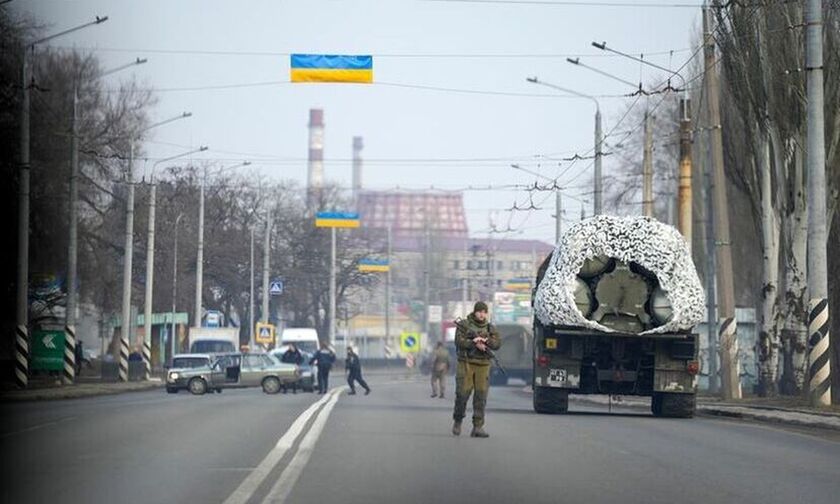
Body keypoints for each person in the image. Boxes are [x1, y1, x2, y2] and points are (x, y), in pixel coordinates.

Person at [452, 301, 501, 438]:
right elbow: (459, 341)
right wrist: (473, 343)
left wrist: (486, 342)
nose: (482, 314)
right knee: (462, 395)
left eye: (484, 312)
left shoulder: (490, 328)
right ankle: (458, 420)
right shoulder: (464, 325)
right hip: (466, 363)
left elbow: (497, 344)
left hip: (483, 365)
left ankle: (478, 427)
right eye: (479, 311)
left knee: (481, 397)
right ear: (475, 312)